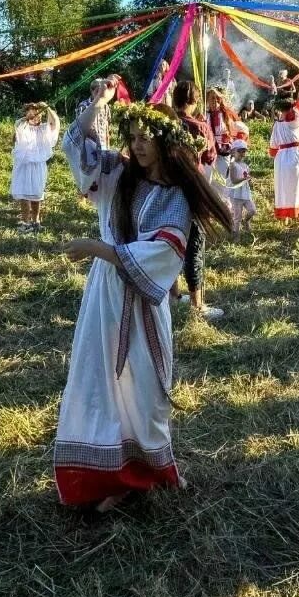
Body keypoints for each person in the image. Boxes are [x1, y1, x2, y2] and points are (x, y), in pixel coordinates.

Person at [54, 85, 231, 511]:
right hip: (107, 296)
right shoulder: (119, 175)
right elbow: (79, 149)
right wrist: (97, 105)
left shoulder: (177, 197)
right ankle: (112, 477)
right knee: (103, 380)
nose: (137, 145)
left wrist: (98, 249)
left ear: (166, 142)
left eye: (145, 138)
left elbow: (165, 252)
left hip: (143, 299)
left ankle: (153, 468)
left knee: (147, 384)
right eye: (132, 137)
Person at [171, 80, 224, 319]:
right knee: (194, 245)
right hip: (192, 190)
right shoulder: (198, 126)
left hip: (167, 188)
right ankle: (197, 305)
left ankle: (173, 294)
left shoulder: (166, 123)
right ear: (194, 100)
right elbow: (211, 156)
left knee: (170, 241)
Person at [268, 76, 299, 222]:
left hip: (281, 159)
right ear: (291, 108)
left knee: (284, 187)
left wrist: (277, 154)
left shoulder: (277, 124)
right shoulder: (294, 119)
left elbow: (273, 147)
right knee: (298, 184)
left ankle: (286, 217)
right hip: (295, 156)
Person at [10, 101, 61, 233]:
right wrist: (28, 117)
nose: (35, 116)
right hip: (24, 165)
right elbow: (19, 123)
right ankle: (26, 222)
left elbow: (55, 121)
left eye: (37, 113)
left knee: (37, 194)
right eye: (31, 112)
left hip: (38, 165)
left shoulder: (44, 128)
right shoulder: (22, 125)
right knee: (24, 194)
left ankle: (36, 221)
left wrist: (47, 108)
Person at [227, 138, 257, 235]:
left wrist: (249, 180)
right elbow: (234, 180)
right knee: (237, 217)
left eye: (243, 151)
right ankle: (236, 236)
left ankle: (246, 221)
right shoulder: (232, 165)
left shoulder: (245, 166)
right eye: (239, 151)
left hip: (245, 193)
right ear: (233, 152)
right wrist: (245, 179)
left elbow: (246, 178)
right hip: (236, 195)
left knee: (252, 210)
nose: (241, 153)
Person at [76, 78, 113, 149]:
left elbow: (108, 126)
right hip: (89, 147)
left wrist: (107, 146)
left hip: (104, 146)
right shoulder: (84, 106)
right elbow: (80, 127)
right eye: (97, 91)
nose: (100, 93)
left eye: (102, 91)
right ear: (92, 90)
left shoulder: (105, 106)